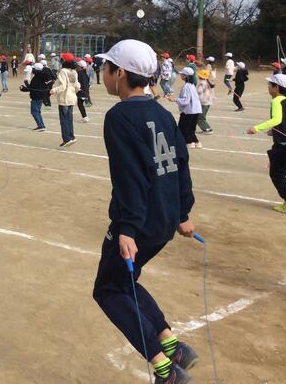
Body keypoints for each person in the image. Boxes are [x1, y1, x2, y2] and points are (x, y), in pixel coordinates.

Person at [92, 39, 198, 384]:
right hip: (164, 219)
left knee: (108, 290)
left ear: (120, 73)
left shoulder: (119, 116)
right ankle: (171, 344)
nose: (103, 73)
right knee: (126, 282)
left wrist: (127, 228)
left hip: (140, 223)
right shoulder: (162, 113)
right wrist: (182, 212)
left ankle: (164, 368)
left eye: (106, 68)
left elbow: (129, 177)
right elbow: (181, 163)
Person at [245, 73, 286, 213]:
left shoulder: (276, 101)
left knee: (277, 174)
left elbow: (277, 119)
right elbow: (285, 120)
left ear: (277, 88)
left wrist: (256, 128)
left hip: (283, 144)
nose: (268, 87)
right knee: (280, 171)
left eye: (270, 85)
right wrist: (273, 130)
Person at [51, 53, 79, 147]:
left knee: (64, 120)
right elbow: (77, 85)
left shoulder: (63, 71)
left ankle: (67, 139)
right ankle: (71, 137)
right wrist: (75, 91)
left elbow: (63, 86)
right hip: (72, 98)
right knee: (69, 119)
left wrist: (54, 90)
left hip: (64, 98)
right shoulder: (74, 71)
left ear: (64, 61)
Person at [172, 67, 202, 149]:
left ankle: (189, 142)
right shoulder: (192, 85)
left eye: (182, 74)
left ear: (185, 76)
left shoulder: (186, 87)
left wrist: (175, 99)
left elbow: (186, 101)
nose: (181, 75)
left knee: (183, 128)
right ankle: (196, 142)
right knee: (191, 128)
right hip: (196, 110)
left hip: (189, 111)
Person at [21, 62, 49, 131]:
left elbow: (33, 88)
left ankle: (40, 126)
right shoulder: (42, 76)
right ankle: (41, 125)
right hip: (40, 96)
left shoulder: (37, 78)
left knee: (34, 112)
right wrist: (26, 85)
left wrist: (24, 88)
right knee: (37, 111)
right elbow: (33, 87)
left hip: (36, 97)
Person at [196, 69, 214, 135]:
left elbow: (198, 92)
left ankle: (207, 129)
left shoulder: (201, 83)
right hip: (208, 102)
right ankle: (207, 128)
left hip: (204, 102)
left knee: (199, 117)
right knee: (201, 117)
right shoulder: (207, 82)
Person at [76, 59, 91, 123]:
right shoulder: (85, 73)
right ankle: (85, 117)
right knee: (80, 104)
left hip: (81, 91)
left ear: (80, 67)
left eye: (78, 66)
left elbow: (76, 82)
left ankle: (85, 117)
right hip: (86, 91)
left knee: (80, 104)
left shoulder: (79, 73)